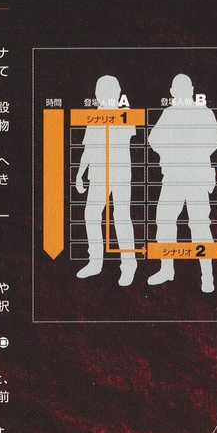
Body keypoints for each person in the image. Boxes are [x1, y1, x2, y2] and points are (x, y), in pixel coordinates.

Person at [145, 74, 217, 291]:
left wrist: (193, 153)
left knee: (199, 224)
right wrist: (171, 153)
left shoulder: (203, 112)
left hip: (196, 176)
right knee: (164, 220)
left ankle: (207, 275)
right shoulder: (169, 113)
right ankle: (167, 268)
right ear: (172, 93)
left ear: (191, 90)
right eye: (177, 89)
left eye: (184, 89)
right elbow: (153, 139)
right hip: (173, 176)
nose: (181, 93)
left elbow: (215, 139)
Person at [74, 75, 140, 283]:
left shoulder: (124, 113)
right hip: (98, 174)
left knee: (121, 216)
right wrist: (80, 173)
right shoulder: (95, 116)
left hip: (119, 173)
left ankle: (128, 264)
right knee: (91, 214)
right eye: (100, 93)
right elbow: (88, 148)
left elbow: (123, 137)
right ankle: (95, 262)